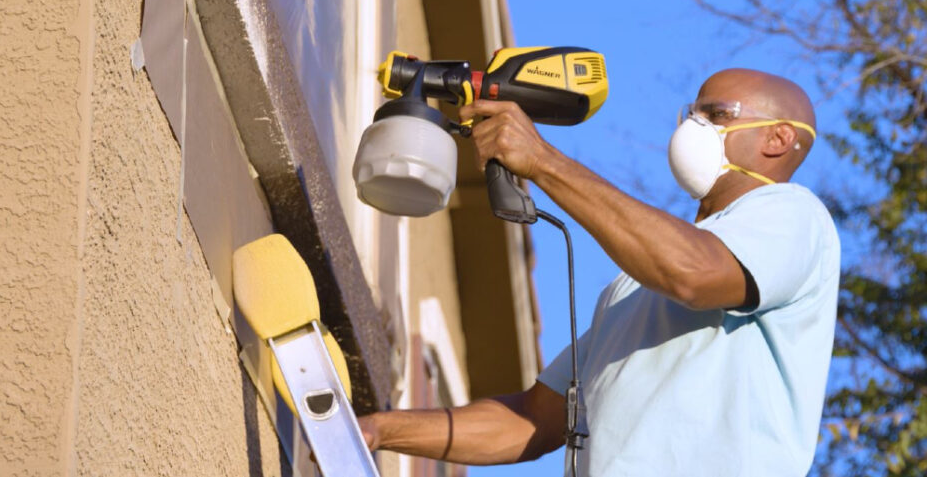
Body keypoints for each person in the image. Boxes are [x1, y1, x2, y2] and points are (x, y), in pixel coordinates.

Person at [358, 68, 841, 476]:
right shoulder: (630, 290)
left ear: (779, 138)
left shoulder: (795, 216)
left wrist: (543, 161)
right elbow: (533, 419)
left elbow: (693, 273)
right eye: (690, 114)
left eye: (716, 115)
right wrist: (380, 429)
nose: (693, 127)